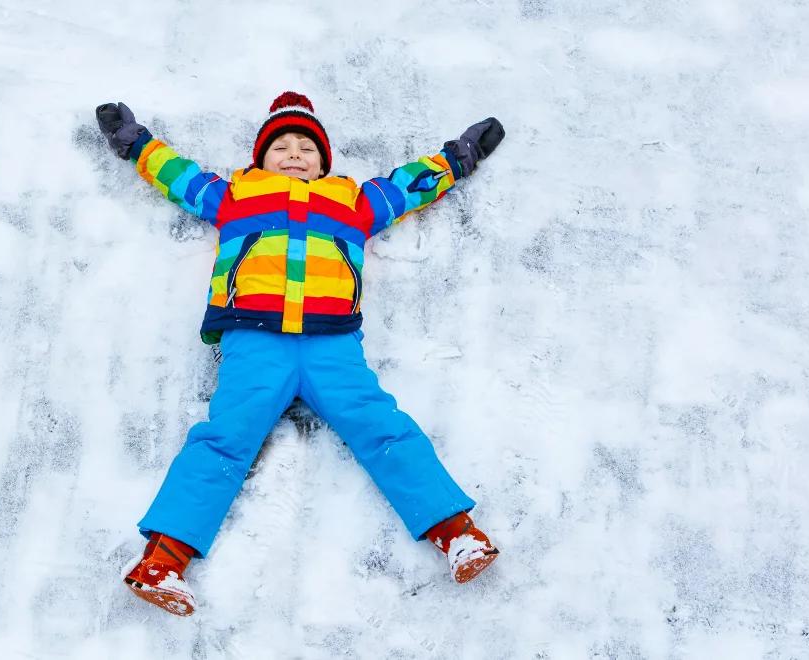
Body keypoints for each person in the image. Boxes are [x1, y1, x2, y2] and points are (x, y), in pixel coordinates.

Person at [95, 92, 505, 616]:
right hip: (255, 339)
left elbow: (409, 186)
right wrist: (136, 144)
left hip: (331, 344)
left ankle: (457, 533)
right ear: (260, 158)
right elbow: (178, 174)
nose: (293, 154)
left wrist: (460, 156)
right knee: (225, 439)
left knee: (382, 427)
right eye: (281, 146)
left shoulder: (353, 201)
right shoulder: (234, 196)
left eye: (306, 147)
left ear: (323, 160)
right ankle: (162, 562)